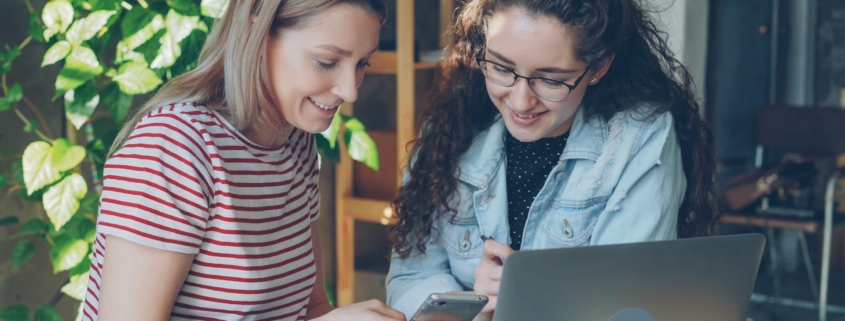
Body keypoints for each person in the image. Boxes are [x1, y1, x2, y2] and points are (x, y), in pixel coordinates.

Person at [386, 0, 720, 320]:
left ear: (598, 68)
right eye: (501, 68)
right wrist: (471, 308)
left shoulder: (639, 140)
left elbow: (627, 307)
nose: (520, 101)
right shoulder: (453, 127)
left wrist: (532, 299)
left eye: (550, 79)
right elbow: (409, 280)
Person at [82, 1, 405, 320]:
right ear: (258, 32)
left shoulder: (296, 142)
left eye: (364, 63)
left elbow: (309, 310)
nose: (351, 91)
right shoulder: (173, 146)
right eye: (326, 61)